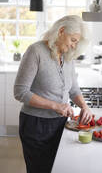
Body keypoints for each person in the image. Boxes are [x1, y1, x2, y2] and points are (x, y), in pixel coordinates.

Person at [14, 15, 93, 173]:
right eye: (73, 40)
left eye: (77, 43)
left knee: (59, 168)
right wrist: (55, 106)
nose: (73, 46)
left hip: (60, 124)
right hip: (36, 125)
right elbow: (20, 92)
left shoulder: (68, 57)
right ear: (61, 31)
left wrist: (84, 106)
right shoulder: (35, 51)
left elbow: (73, 89)